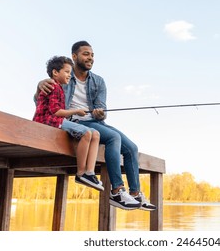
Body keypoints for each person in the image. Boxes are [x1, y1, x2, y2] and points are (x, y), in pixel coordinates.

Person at [34, 41, 156, 211]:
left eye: (92, 55)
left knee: (132, 148)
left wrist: (100, 113)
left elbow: (102, 109)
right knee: (114, 137)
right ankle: (117, 191)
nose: (90, 57)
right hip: (72, 121)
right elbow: (42, 102)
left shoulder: (98, 81)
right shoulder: (64, 77)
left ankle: (135, 194)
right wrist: (40, 85)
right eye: (86, 54)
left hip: (94, 122)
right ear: (74, 56)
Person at [33, 55, 104, 192]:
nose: (69, 75)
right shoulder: (53, 86)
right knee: (86, 133)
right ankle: (81, 173)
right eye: (66, 72)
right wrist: (76, 111)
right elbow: (55, 112)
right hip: (48, 121)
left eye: (70, 73)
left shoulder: (59, 88)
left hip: (57, 120)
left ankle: (90, 173)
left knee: (96, 134)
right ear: (55, 72)